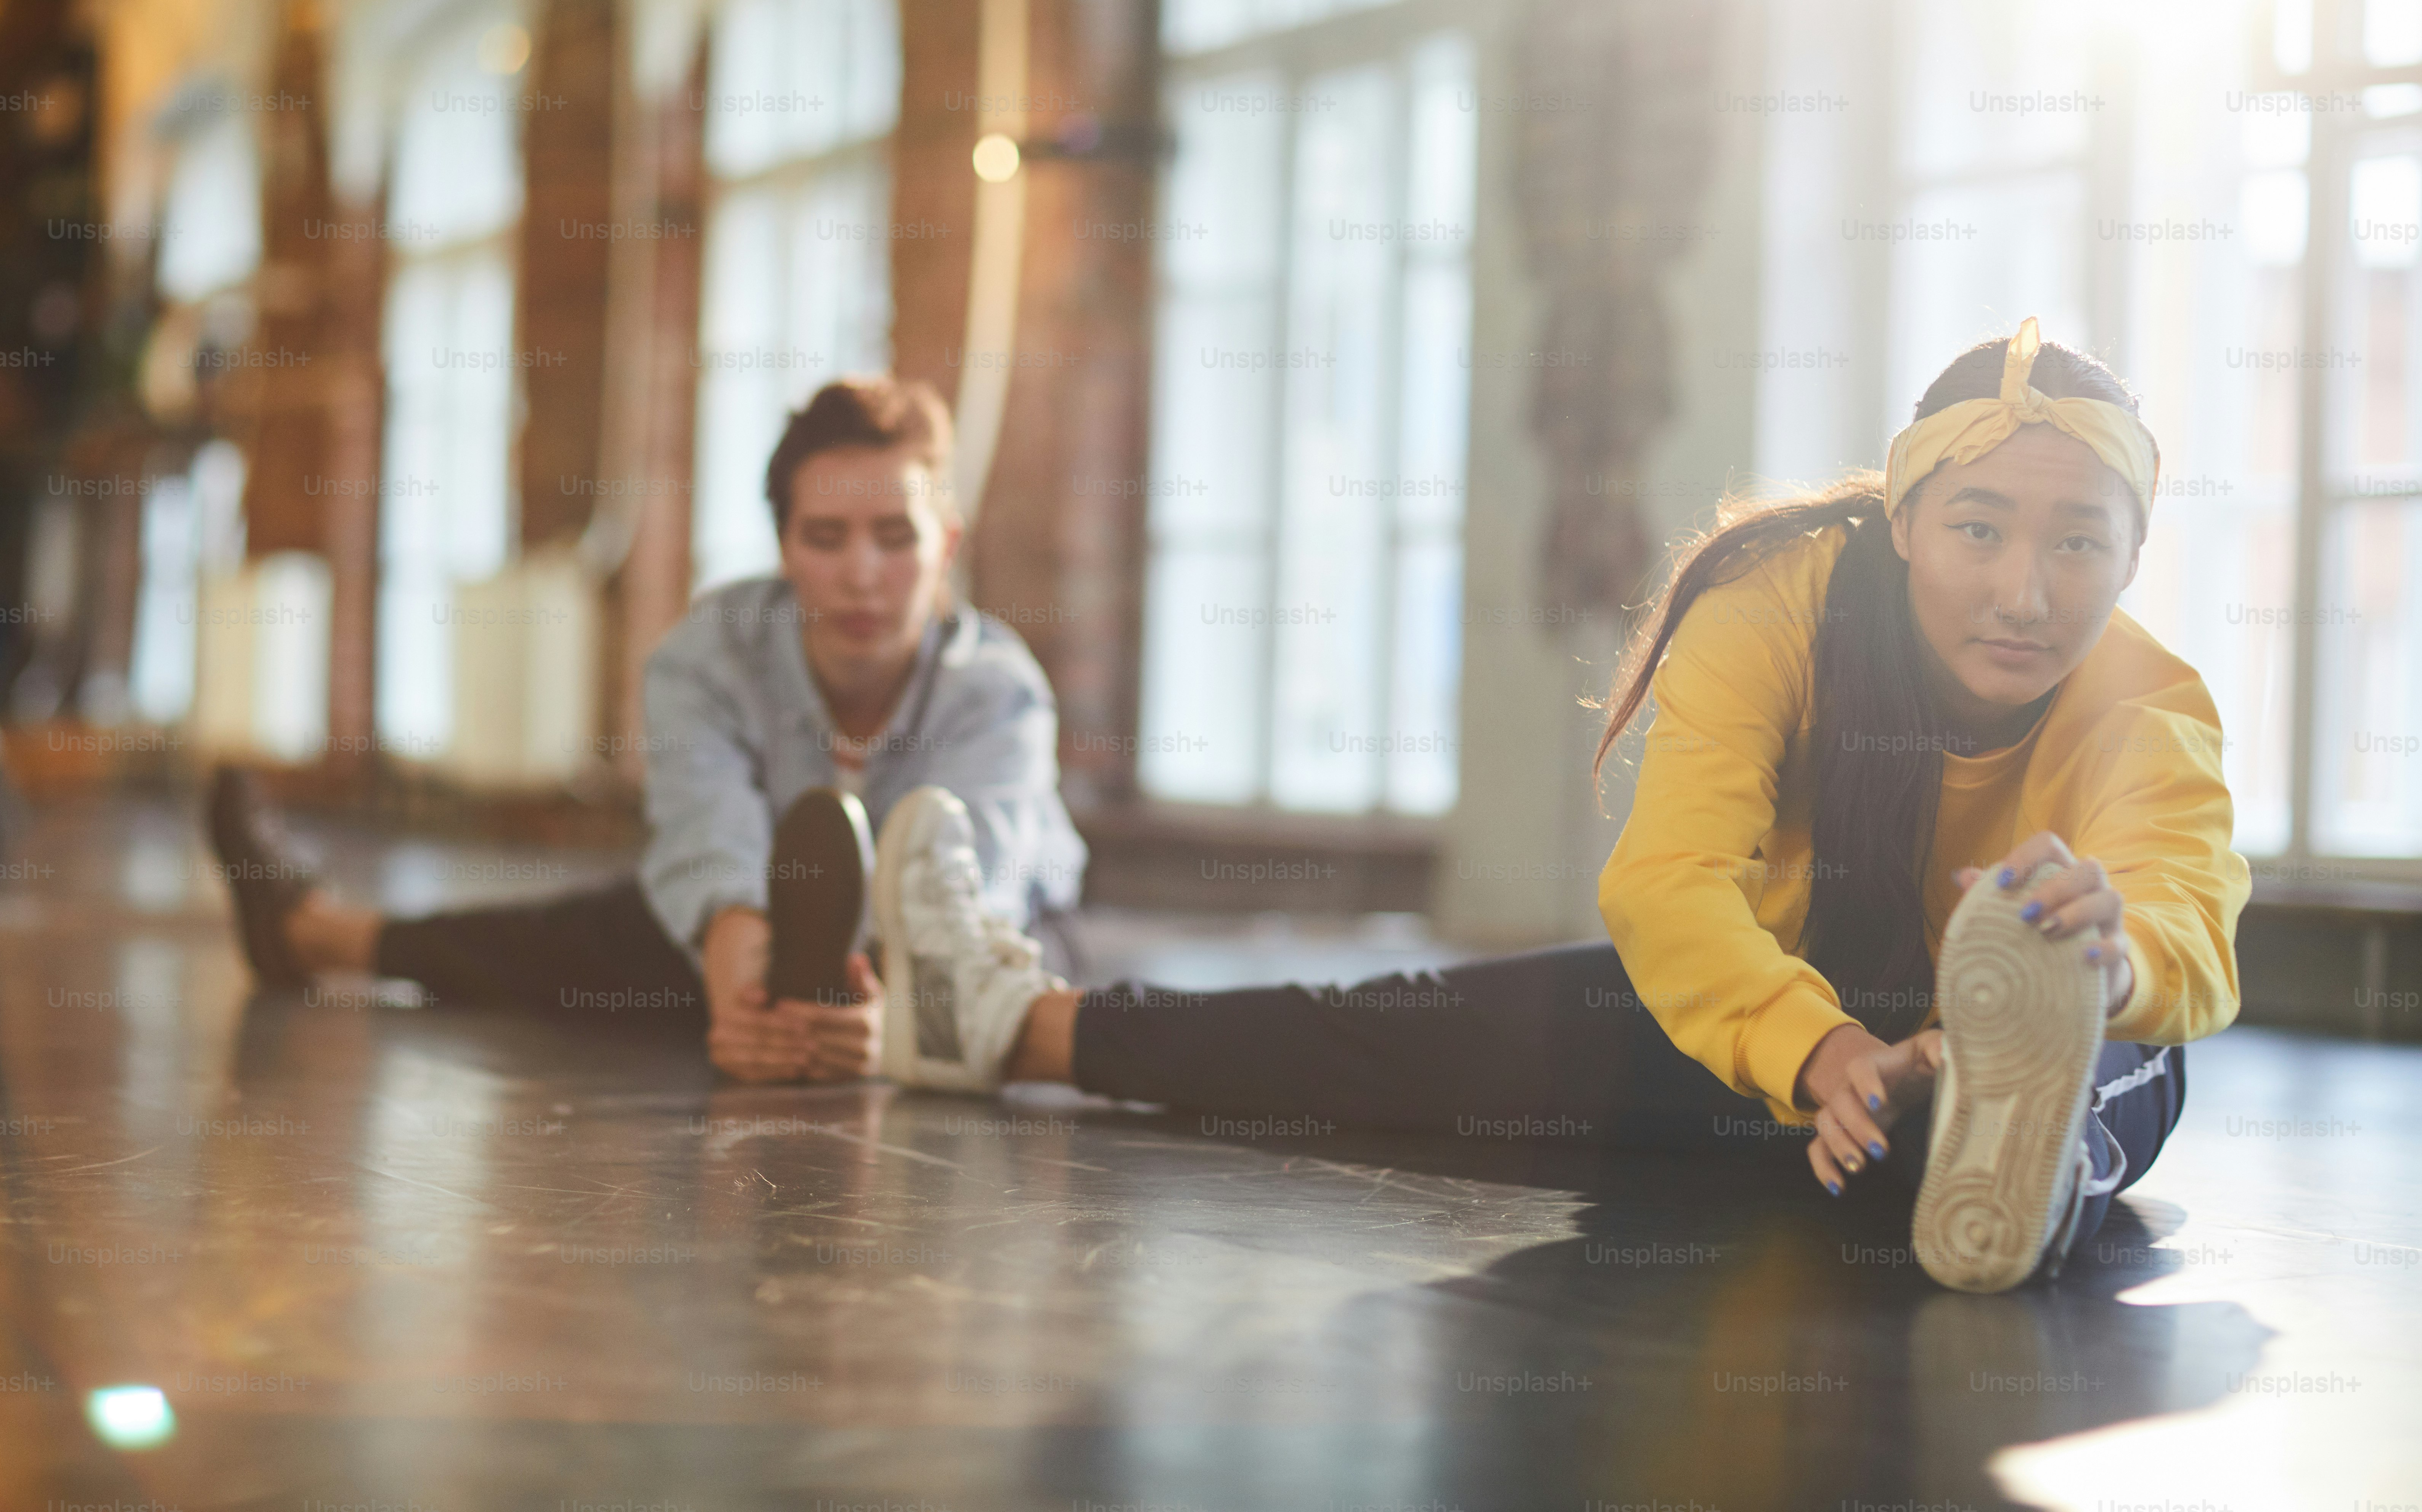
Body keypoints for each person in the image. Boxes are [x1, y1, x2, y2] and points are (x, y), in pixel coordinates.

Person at [854, 321, 2246, 1294]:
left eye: (2079, 544)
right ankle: (993, 1020)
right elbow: (1670, 883)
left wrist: (2111, 957)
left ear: (2131, 557)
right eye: (1980, 527)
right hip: (1773, 1029)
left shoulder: (2151, 703)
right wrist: (1820, 1049)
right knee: (1392, 1038)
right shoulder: (1780, 608)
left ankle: (2011, 1154)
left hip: (2014, 1049)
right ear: (1902, 517)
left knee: (2115, 1053)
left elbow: (2192, 918)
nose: (2025, 590)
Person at [206, 377, 1086, 1085]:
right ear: (783, 545)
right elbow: (711, 837)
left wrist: (892, 1022)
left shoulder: (1000, 693)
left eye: (896, 536)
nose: (863, 573)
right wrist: (742, 995)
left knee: (1025, 999)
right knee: (577, 939)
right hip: (761, 923)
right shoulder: (705, 656)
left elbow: (972, 910)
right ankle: (312, 933)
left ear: (949, 541)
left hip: (970, 941)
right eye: (827, 536)